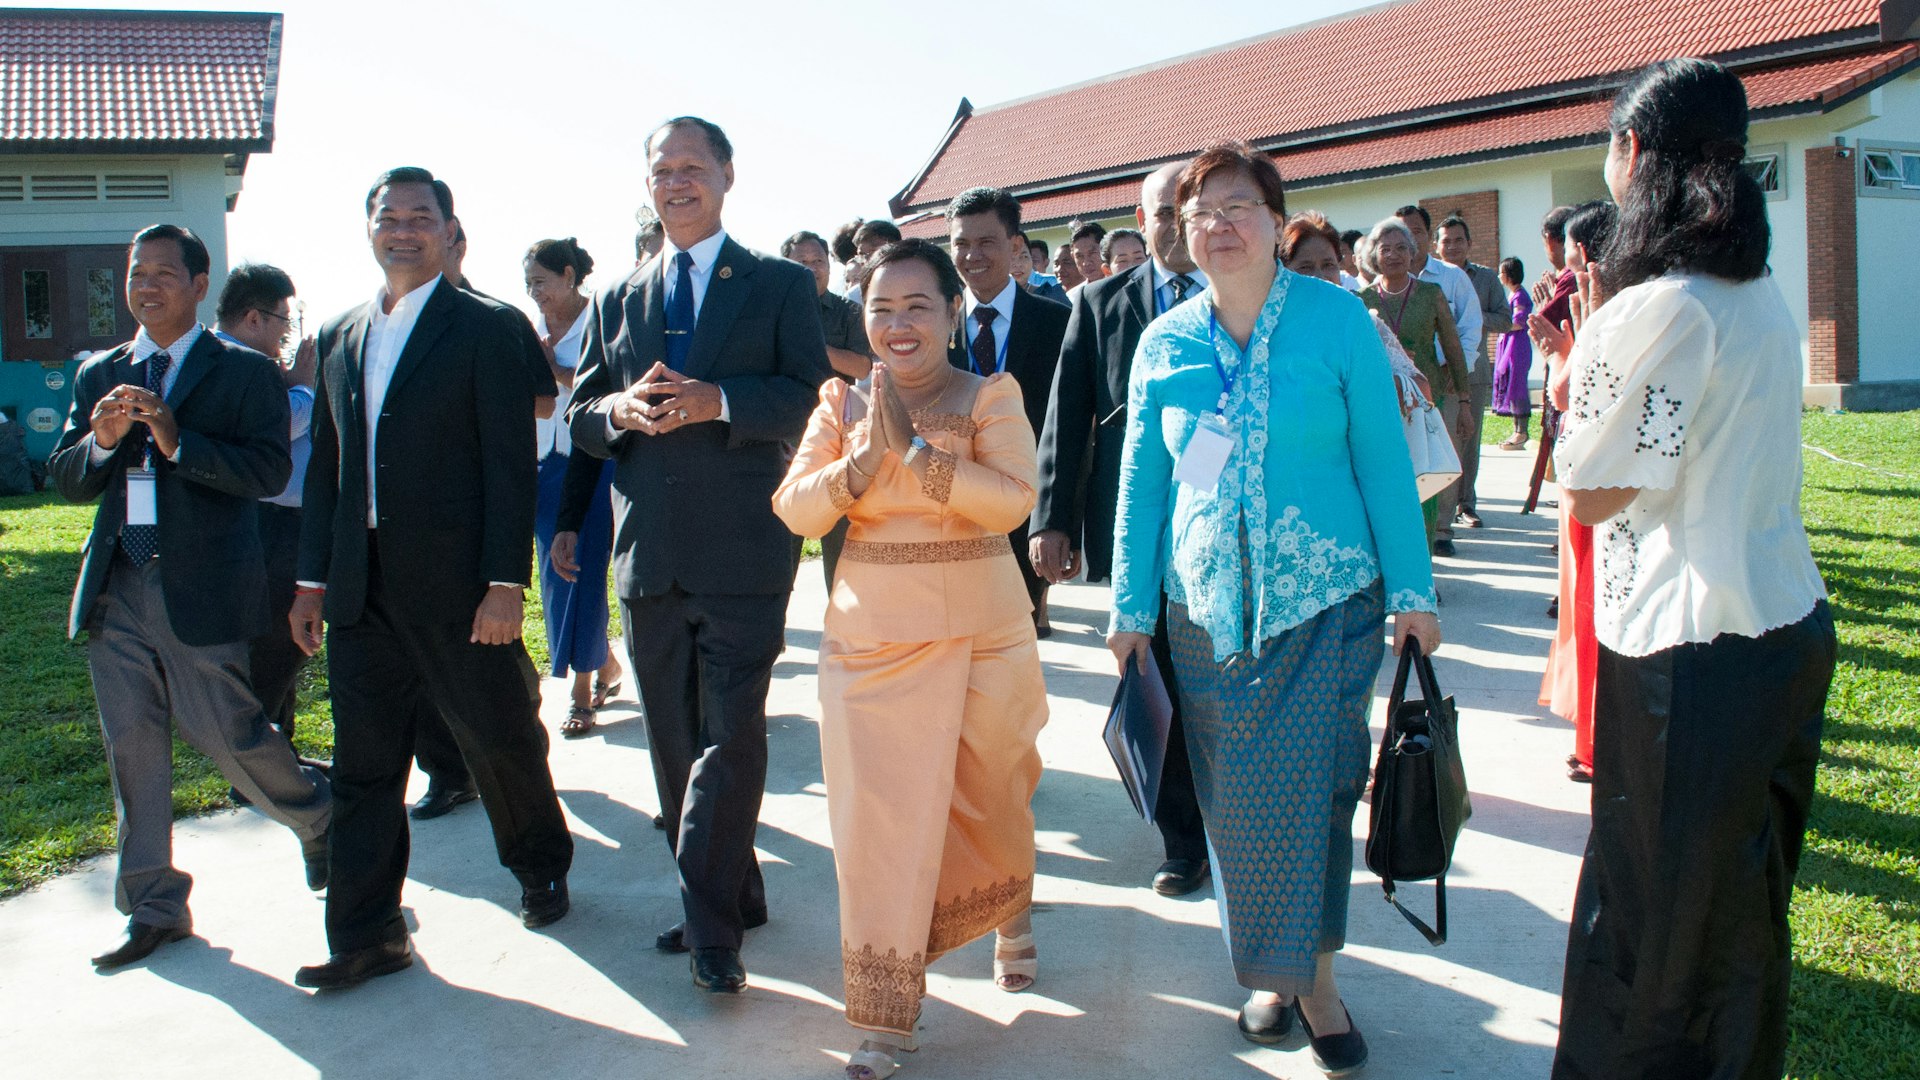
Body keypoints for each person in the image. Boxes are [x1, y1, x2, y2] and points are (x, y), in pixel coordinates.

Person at [1107, 144, 1439, 1077]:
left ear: (1275, 216)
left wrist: (1414, 594)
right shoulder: (1165, 343)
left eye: (1239, 205)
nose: (1219, 224)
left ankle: (1318, 981)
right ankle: (1267, 973)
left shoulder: (1338, 323)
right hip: (1204, 618)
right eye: (1200, 210)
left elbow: (1383, 462)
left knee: (1322, 795)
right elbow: (1145, 487)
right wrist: (1129, 610)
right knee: (1238, 809)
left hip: (1327, 604)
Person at [1537, 58, 1835, 1080]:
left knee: (1653, 931)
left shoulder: (1658, 305)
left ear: (1630, 156)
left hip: (1687, 654)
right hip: (1783, 629)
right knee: (1741, 913)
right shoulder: (1755, 290)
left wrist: (1577, 373)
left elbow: (1597, 492)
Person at [291, 168, 575, 990]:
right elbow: (328, 475)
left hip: (458, 586)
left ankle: (540, 864)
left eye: (422, 217)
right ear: (369, 228)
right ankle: (366, 932)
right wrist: (311, 583)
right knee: (364, 765)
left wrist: (503, 583)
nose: (404, 229)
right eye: (390, 216)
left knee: (495, 734)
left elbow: (506, 464)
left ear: (451, 231)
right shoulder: (342, 333)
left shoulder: (484, 327)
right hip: (361, 588)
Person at [566, 117, 832, 994]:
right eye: (661, 169)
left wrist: (718, 400)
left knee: (730, 735)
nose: (675, 181)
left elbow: (806, 396)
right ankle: (738, 891)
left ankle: (711, 932)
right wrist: (618, 416)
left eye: (691, 167)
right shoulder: (618, 295)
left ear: (726, 175)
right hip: (649, 557)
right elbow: (581, 417)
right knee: (675, 747)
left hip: (743, 552)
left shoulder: (780, 286)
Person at [774, 239, 1048, 1080]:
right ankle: (885, 1019)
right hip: (870, 643)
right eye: (880, 309)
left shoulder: (988, 393)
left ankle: (1011, 913)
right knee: (878, 829)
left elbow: (1012, 502)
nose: (897, 325)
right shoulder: (839, 405)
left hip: (983, 638)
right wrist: (858, 466)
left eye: (917, 307)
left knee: (994, 798)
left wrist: (922, 455)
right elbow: (794, 510)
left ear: (953, 314)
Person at [50, 224, 332, 970]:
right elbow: (70, 476)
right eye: (136, 272)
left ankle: (321, 819)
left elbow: (270, 471)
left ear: (200, 285)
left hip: (199, 584)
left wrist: (178, 443)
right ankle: (153, 904)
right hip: (118, 584)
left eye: (165, 273)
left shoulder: (243, 372)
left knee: (229, 733)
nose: (147, 285)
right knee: (132, 745)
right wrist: (104, 440)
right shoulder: (98, 374)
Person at [1030, 161, 1212, 897]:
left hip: (1232, 528)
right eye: (1160, 213)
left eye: (1185, 208)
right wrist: (1053, 520)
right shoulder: (1099, 303)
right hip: (1141, 530)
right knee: (1156, 679)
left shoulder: (1246, 300)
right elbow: (1067, 414)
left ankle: (1236, 822)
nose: (1173, 223)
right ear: (1141, 225)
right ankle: (1182, 841)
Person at [944, 186, 1070, 637]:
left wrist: (1057, 520)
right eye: (961, 243)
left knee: (1013, 639)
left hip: (1023, 508)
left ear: (1016, 245)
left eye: (986, 242)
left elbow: (1070, 429)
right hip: (948, 510)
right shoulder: (933, 325)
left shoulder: (1058, 323)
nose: (971, 255)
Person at [523, 237, 624, 738]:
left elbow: (603, 390)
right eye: (528, 284)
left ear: (568, 274)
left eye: (540, 281)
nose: (533, 292)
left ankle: (581, 693)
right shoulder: (528, 328)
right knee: (555, 574)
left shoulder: (605, 316)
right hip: (544, 464)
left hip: (595, 459)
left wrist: (553, 371)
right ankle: (602, 661)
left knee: (583, 570)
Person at [212, 264, 315, 747]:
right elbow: (276, 424)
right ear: (254, 318)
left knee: (280, 642)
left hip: (277, 522)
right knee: (277, 641)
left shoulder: (247, 363)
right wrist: (305, 386)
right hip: (264, 523)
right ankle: (258, 756)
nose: (285, 334)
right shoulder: (224, 360)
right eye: (283, 322)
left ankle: (278, 751)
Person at [1534, 200, 1617, 786]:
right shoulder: (1605, 305)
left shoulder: (1606, 310)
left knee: (1588, 602)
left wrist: (1563, 354)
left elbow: (1575, 395)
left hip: (1593, 483)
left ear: (1582, 252)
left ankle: (1595, 736)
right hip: (1591, 476)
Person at [1358, 218, 1471, 548]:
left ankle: (1425, 569)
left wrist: (1464, 400)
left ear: (1413, 253)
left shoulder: (1430, 294)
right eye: (1386, 248)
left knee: (1426, 481)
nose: (1394, 255)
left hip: (1424, 401)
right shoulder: (1361, 299)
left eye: (1401, 248)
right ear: (1374, 255)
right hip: (1382, 402)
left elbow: (1452, 347)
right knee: (1388, 484)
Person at [780, 228, 872, 586]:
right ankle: (773, 638)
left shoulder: (849, 312)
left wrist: (812, 344)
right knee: (778, 552)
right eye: (801, 262)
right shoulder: (766, 313)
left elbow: (864, 367)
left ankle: (845, 634)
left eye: (818, 261)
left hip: (839, 446)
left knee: (842, 553)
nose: (811, 268)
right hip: (785, 445)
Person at [1396, 205, 1481, 554]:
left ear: (1427, 237)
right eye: (1399, 233)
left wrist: (1453, 372)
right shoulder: (1375, 287)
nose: (1406, 241)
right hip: (1397, 391)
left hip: (1440, 380)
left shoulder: (1449, 278)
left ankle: (1442, 528)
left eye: (1415, 232)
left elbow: (1469, 329)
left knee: (1441, 453)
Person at [1434, 214, 1513, 529]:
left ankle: (1466, 504)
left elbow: (1505, 319)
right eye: (1446, 241)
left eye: (1458, 240)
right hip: (1436, 370)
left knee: (1468, 439)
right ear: (1436, 245)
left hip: (1474, 369)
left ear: (1469, 243)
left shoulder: (1485, 279)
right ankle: (1438, 509)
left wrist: (1470, 315)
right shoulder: (1428, 277)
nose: (1452, 246)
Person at [1493, 256, 1533, 449]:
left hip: (1516, 346)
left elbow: (1518, 322)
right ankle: (1517, 430)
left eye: (1501, 272)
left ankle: (1521, 433)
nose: (1499, 275)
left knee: (1517, 386)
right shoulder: (1512, 295)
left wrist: (1496, 323)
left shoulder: (1520, 297)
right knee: (1511, 385)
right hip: (1508, 343)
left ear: (1509, 274)